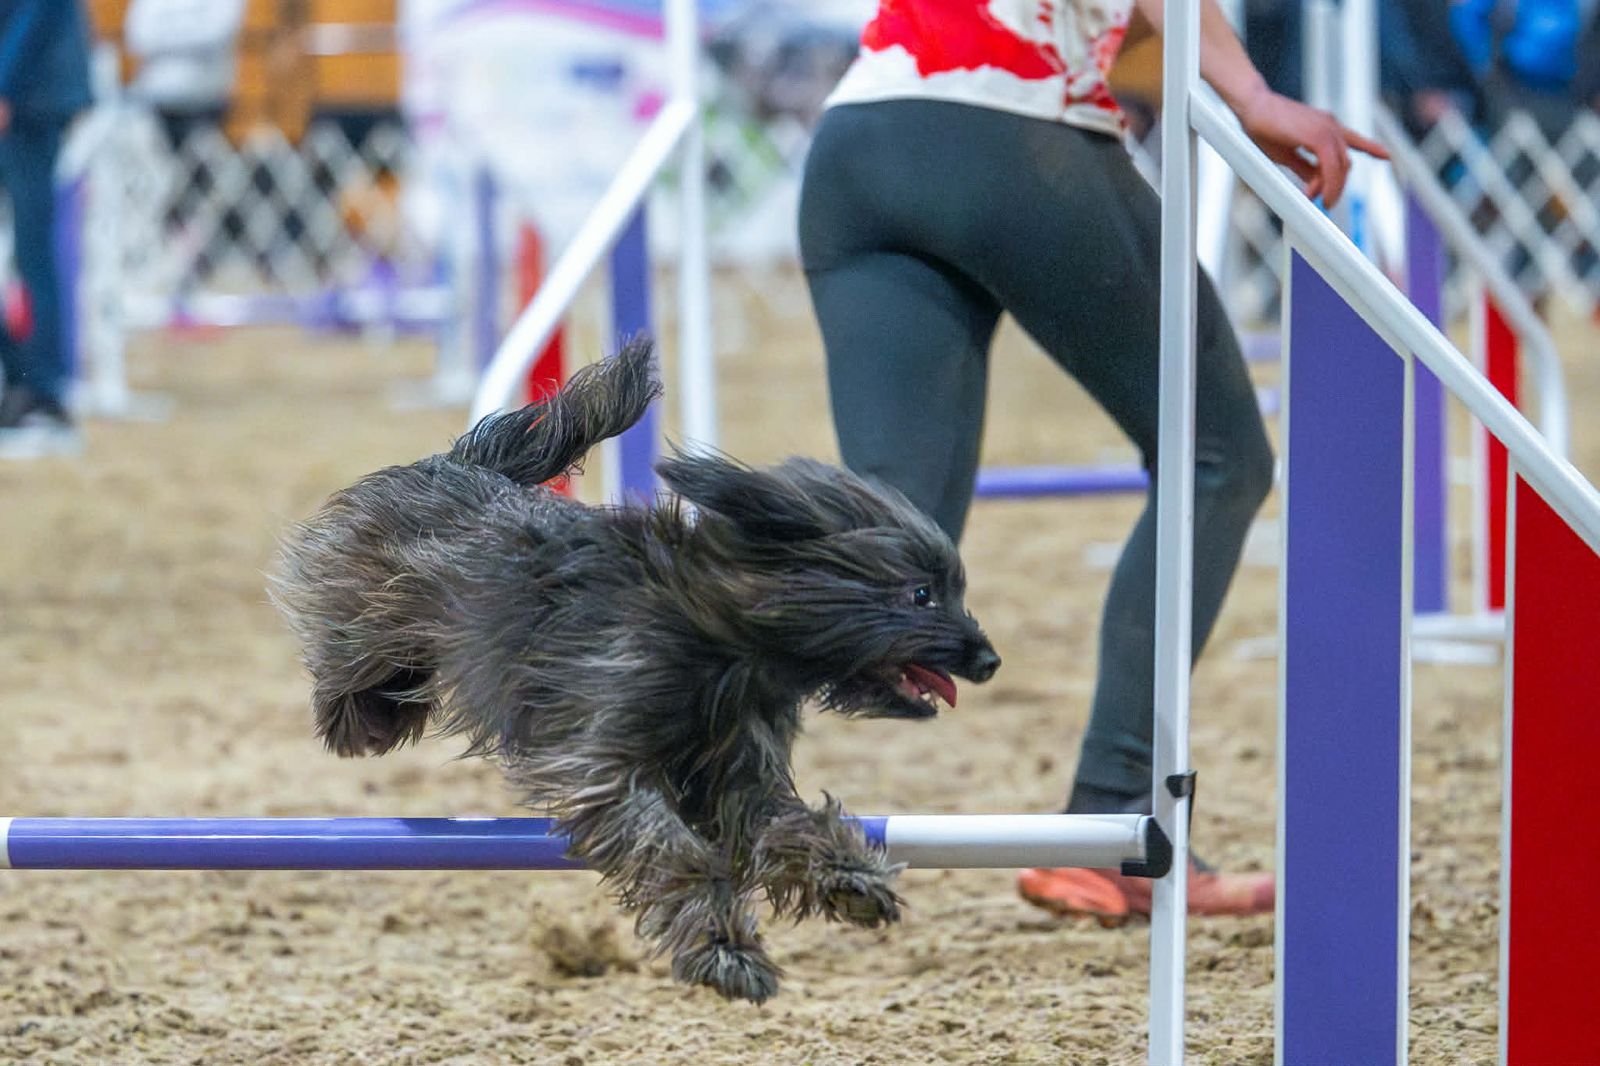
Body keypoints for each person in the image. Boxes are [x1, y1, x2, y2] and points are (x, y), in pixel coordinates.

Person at [799, 0, 1386, 922]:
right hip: (1015, 124)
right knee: (1221, 457)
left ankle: (662, 678)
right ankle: (1113, 816)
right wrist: (1252, 93)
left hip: (861, 141)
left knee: (891, 541)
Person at [0, 0, 93, 458]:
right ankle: (28, 381)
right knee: (32, 249)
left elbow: (38, 10)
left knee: (33, 250)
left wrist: (3, 86)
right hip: (26, 93)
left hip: (29, 98)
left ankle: (40, 388)